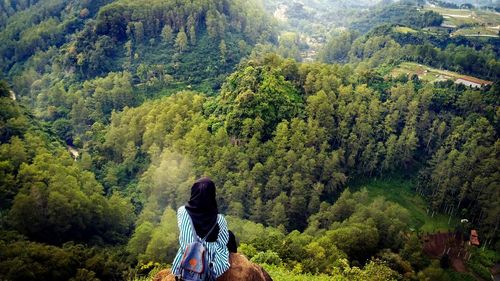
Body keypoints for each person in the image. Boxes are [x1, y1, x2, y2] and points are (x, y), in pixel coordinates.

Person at [171, 177, 237, 279]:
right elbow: (222, 246)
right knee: (230, 236)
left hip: (187, 263)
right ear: (212, 195)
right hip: (210, 267)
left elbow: (185, 240)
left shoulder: (182, 212)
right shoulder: (220, 220)